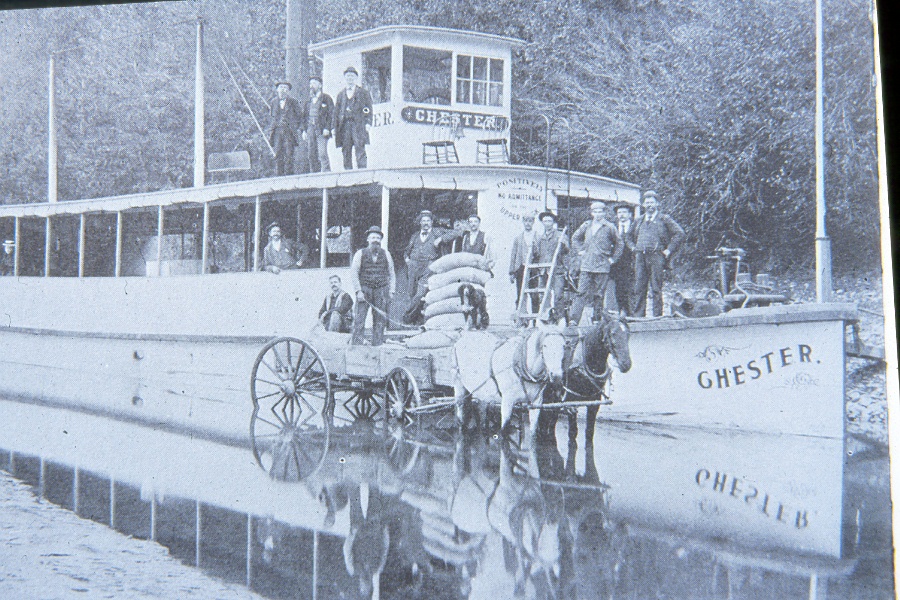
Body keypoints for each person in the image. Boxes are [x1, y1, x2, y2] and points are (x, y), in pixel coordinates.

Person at [629, 190, 685, 317]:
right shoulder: (638, 220)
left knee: (656, 287)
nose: (649, 205)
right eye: (647, 202)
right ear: (643, 204)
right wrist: (633, 247)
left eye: (652, 202)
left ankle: (657, 316)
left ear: (657, 204)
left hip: (656, 256)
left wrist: (669, 249)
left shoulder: (664, 219)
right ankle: (638, 317)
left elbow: (679, 233)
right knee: (639, 287)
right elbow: (628, 236)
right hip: (640, 256)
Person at [569, 201, 623, 324]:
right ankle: (574, 319)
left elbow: (619, 243)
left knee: (599, 294)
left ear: (604, 213)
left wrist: (613, 259)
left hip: (602, 266)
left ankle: (597, 319)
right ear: (592, 213)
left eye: (600, 212)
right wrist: (580, 251)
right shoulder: (586, 225)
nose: (598, 214)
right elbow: (575, 238)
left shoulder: (609, 227)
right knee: (581, 292)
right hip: (587, 265)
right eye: (595, 212)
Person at [350, 226, 396, 346]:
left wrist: (391, 291)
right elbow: (354, 273)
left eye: (378, 238)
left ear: (380, 240)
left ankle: (377, 346)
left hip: (381, 290)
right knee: (359, 319)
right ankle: (357, 346)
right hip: (364, 290)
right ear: (368, 240)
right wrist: (358, 291)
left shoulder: (386, 254)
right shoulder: (360, 254)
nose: (375, 240)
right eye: (373, 237)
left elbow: (392, 273)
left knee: (380, 320)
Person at [403, 210, 455, 299]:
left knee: (423, 290)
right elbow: (407, 250)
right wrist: (407, 259)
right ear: (420, 222)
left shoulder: (437, 232)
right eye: (423, 221)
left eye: (428, 220)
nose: (426, 223)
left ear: (431, 222)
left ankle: (418, 306)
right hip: (413, 266)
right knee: (411, 292)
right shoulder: (415, 235)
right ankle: (412, 307)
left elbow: (455, 232)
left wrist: (441, 239)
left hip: (429, 265)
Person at [332, 66, 373, 170]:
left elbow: (368, 109)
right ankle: (348, 172)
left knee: (360, 147)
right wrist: (334, 127)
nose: (350, 78)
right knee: (346, 149)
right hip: (345, 125)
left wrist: (368, 122)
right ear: (345, 78)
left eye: (352, 76)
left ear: (356, 78)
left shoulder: (363, 93)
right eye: (348, 76)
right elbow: (336, 112)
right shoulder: (341, 95)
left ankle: (362, 171)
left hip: (358, 124)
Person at [530, 211, 569, 319]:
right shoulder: (540, 237)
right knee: (543, 295)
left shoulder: (560, 235)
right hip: (543, 270)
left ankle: (560, 318)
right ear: (542, 223)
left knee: (558, 295)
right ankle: (545, 317)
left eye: (549, 221)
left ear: (553, 222)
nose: (547, 223)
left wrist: (563, 245)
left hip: (557, 269)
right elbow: (537, 253)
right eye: (545, 221)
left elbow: (567, 251)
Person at [268, 81, 303, 176]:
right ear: (277, 89)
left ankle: (289, 175)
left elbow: (299, 116)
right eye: (281, 87)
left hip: (289, 131)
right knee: (278, 153)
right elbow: (271, 117)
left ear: (288, 91)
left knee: (289, 153)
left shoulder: (293, 102)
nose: (283, 90)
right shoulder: (273, 102)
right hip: (277, 131)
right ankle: (279, 175)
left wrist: (295, 127)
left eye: (285, 88)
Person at [300, 75, 333, 173]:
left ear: (320, 85)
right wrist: (304, 131)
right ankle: (314, 175)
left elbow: (331, 114)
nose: (311, 86)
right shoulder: (308, 101)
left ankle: (326, 174)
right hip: (310, 129)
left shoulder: (326, 98)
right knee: (311, 154)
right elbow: (304, 117)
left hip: (321, 129)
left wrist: (327, 128)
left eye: (314, 83)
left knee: (322, 153)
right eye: (310, 83)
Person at [609, 204, 636, 315]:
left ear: (630, 214)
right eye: (619, 213)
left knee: (632, 288)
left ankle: (632, 312)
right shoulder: (612, 227)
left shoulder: (635, 226)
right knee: (618, 287)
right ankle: (621, 310)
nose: (622, 215)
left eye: (624, 212)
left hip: (632, 262)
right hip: (617, 263)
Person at [509, 214, 537, 309]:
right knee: (520, 293)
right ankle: (521, 315)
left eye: (530, 221)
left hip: (534, 269)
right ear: (523, 222)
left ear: (533, 222)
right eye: (526, 221)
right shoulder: (518, 238)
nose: (528, 223)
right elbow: (513, 255)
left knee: (534, 294)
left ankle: (535, 316)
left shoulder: (538, 236)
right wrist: (511, 272)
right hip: (521, 268)